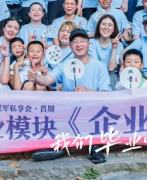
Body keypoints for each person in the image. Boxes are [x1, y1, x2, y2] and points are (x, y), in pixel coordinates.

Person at [30, 28, 110, 164]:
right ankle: (54, 146)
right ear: (70, 46)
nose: (79, 44)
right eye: (75, 42)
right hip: (69, 111)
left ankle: (94, 145)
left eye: (82, 41)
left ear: (88, 44)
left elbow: (107, 95)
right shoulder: (63, 66)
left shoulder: (99, 66)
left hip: (92, 111)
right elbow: (47, 80)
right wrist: (35, 76)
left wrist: (87, 91)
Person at [89, 15, 123, 88]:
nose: (106, 27)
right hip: (95, 75)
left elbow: (111, 68)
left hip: (111, 77)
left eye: (110, 25)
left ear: (113, 29)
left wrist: (114, 48)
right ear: (99, 27)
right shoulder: (91, 43)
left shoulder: (119, 45)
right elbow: (96, 66)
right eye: (103, 24)